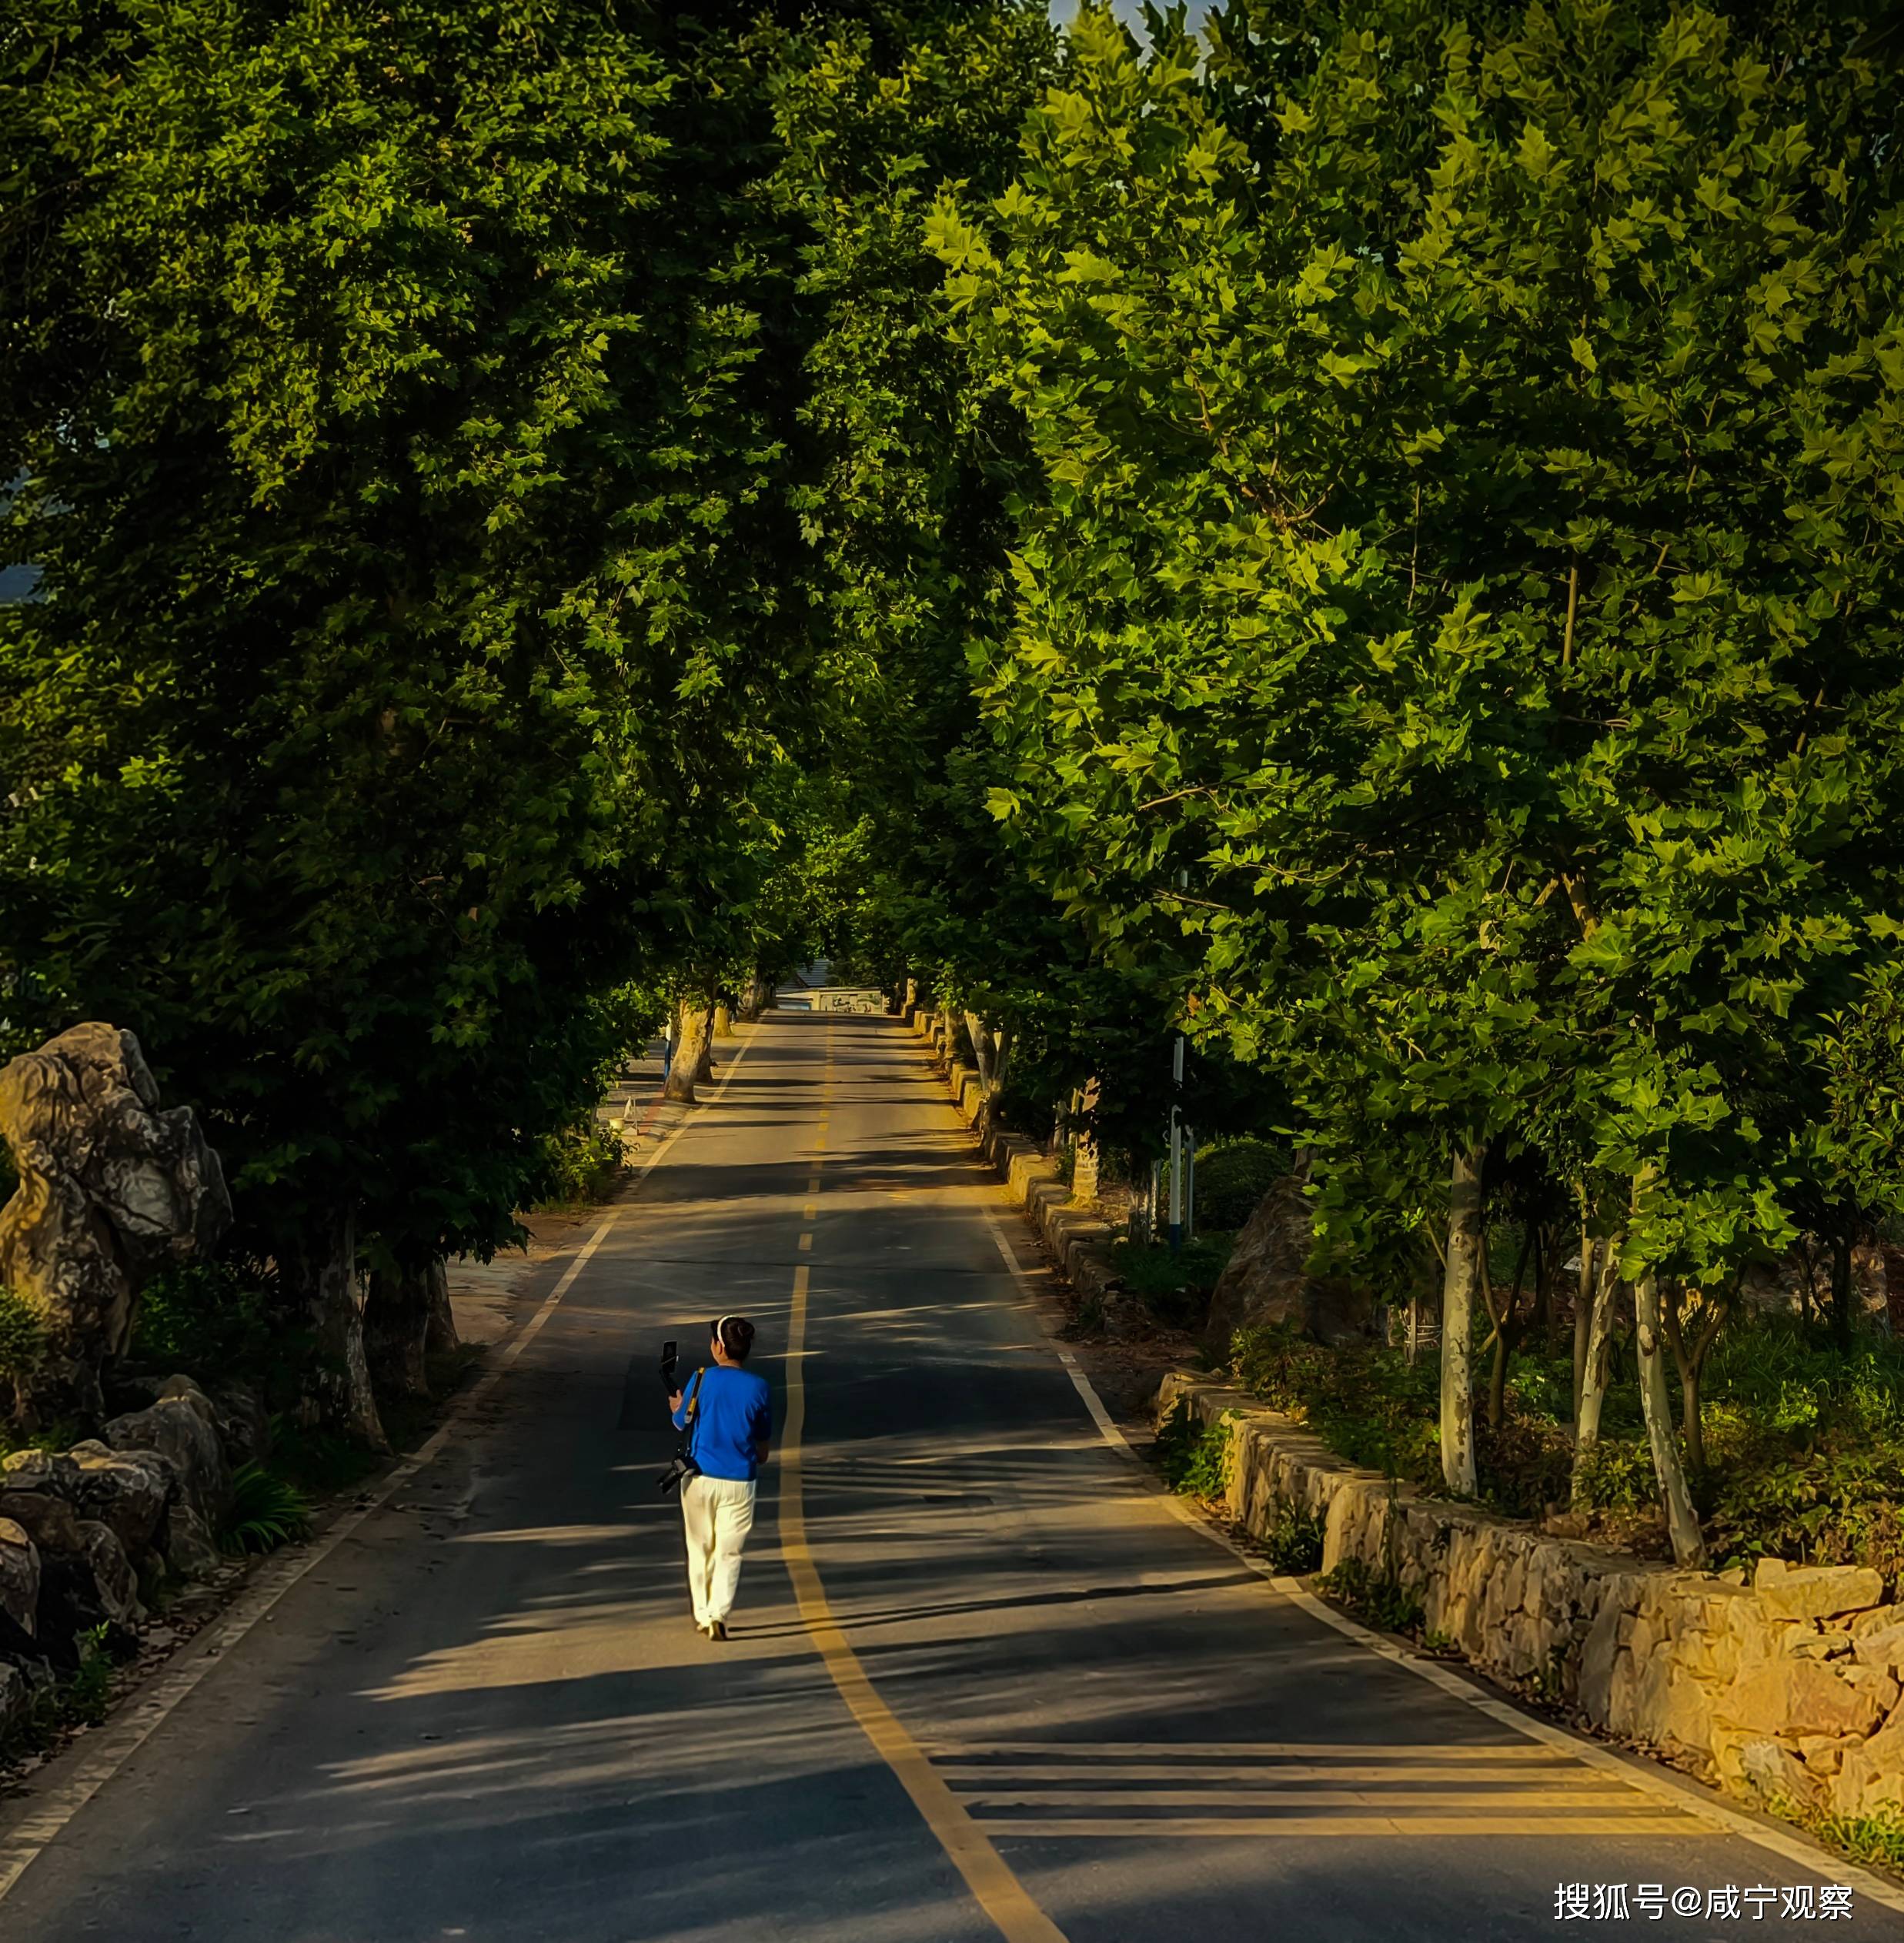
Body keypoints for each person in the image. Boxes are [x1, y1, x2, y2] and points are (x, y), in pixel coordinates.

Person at [668, 1314, 771, 1640]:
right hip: (740, 1481)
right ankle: (718, 1613)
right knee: (730, 1551)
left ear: (719, 1347)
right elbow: (763, 1448)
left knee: (699, 1546)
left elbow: (681, 1422)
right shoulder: (759, 1387)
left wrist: (677, 1406)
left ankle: (703, 1613)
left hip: (699, 1477)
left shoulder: (702, 1379)